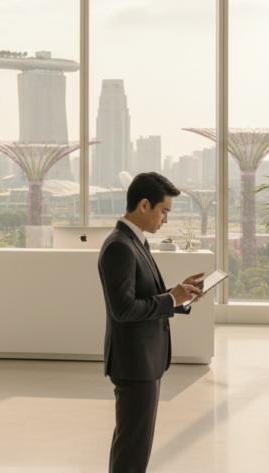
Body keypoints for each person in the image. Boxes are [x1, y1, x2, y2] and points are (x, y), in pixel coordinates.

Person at [97, 172, 205, 473]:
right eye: (164, 211)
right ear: (144, 205)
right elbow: (124, 308)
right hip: (134, 364)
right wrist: (170, 299)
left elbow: (142, 296)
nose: (166, 220)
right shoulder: (120, 245)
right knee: (132, 448)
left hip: (143, 360)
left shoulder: (134, 241)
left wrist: (178, 296)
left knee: (134, 445)